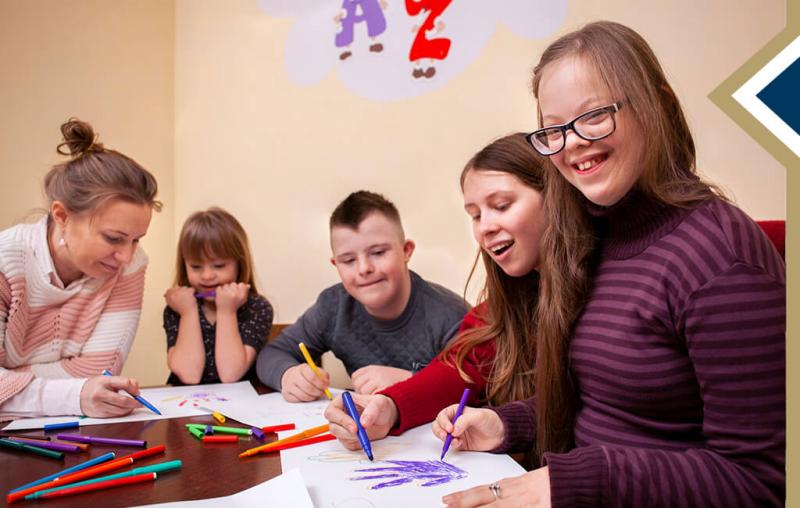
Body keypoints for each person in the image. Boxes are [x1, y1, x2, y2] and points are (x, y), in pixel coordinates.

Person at [434, 21, 785, 507]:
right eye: (554, 129)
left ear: (657, 104)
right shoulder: (591, 238)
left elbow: (761, 482)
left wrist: (579, 480)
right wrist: (507, 422)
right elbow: (610, 407)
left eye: (594, 115)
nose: (572, 143)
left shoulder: (721, 257)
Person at [324, 134, 569, 450]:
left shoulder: (604, 292)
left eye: (501, 206)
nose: (485, 227)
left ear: (555, 199)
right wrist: (388, 407)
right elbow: (460, 368)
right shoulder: (504, 305)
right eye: (475, 215)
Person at [0, 118, 161, 420]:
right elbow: (85, 385)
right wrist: (75, 393)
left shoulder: (131, 265)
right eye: (113, 238)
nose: (126, 256)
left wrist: (13, 380)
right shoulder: (5, 261)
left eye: (136, 240)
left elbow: (97, 371)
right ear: (62, 216)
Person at [256, 190, 469, 402]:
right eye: (348, 260)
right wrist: (288, 375)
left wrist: (413, 382)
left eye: (378, 253)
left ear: (406, 251)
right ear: (336, 264)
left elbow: (481, 387)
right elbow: (272, 354)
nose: (364, 268)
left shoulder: (452, 315)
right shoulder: (333, 306)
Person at [164, 207, 273, 385]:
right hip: (188, 406)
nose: (207, 276)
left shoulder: (257, 307)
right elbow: (189, 375)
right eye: (196, 266)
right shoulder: (179, 306)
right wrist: (188, 312)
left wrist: (227, 311)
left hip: (241, 405)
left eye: (219, 265)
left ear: (239, 264)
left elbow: (230, 374)